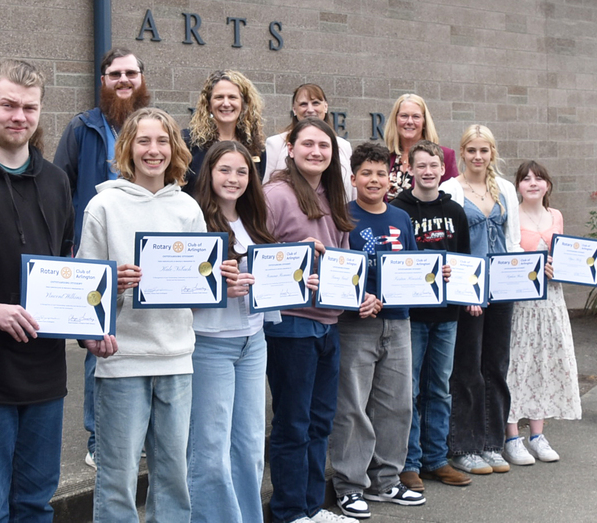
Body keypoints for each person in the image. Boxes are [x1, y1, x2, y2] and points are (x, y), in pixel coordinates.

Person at [0, 60, 75, 523]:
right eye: (8, 105)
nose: (19, 115)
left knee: (35, 504)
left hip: (45, 369)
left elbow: (63, 262)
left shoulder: (57, 180)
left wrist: (88, 321)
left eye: (30, 107)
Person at [76, 107, 207, 522]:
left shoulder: (188, 208)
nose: (154, 150)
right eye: (144, 141)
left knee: (173, 476)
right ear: (127, 148)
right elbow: (84, 294)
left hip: (176, 358)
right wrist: (111, 284)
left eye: (163, 141)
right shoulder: (104, 206)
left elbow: (198, 292)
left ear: (175, 148)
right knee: (117, 477)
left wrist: (212, 278)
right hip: (122, 361)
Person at [262, 117, 377, 523]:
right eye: (307, 144)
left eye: (324, 146)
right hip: (291, 323)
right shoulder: (274, 194)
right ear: (290, 148)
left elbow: (341, 259)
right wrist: (294, 255)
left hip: (328, 323)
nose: (316, 151)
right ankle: (289, 510)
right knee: (293, 423)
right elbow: (260, 255)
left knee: (320, 421)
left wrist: (359, 293)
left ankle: (312, 507)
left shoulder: (333, 195)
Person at [53, 47, 149, 469]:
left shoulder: (156, 127)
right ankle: (98, 438)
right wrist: (67, 250)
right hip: (95, 253)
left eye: (131, 73)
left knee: (141, 340)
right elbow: (59, 187)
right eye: (115, 74)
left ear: (142, 78)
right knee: (99, 345)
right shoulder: (83, 128)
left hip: (147, 254)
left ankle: (139, 433)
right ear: (103, 80)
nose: (123, 80)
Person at [330, 142, 428, 519]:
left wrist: (436, 276)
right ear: (353, 178)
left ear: (391, 178)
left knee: (397, 404)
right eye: (366, 173)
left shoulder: (401, 217)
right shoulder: (342, 216)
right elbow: (338, 271)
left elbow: (415, 265)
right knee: (353, 406)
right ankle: (350, 485)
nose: (374, 180)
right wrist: (359, 297)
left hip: (399, 321)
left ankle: (387, 481)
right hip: (355, 324)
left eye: (381, 173)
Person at [188, 140, 280, 522]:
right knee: (210, 448)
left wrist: (294, 278)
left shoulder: (255, 222)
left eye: (242, 171)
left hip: (253, 342)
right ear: (209, 173)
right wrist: (216, 288)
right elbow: (178, 285)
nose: (234, 178)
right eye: (225, 169)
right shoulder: (193, 220)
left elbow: (270, 280)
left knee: (249, 445)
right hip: (210, 344)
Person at [502, 161, 597, 466]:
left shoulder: (556, 216)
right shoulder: (511, 215)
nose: (532, 183)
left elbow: (567, 258)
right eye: (525, 179)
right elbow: (509, 256)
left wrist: (592, 263)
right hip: (522, 302)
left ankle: (537, 434)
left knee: (545, 363)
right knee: (516, 365)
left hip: (552, 301)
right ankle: (512, 437)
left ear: (548, 184)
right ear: (518, 185)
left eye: (538, 178)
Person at [389, 140, 472, 491]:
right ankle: (408, 462)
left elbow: (466, 259)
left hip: (447, 314)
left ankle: (436, 459)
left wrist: (464, 284)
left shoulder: (455, 212)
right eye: (420, 165)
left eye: (433, 166)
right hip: (412, 315)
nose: (427, 171)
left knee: (439, 388)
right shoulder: (398, 210)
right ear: (410, 169)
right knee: (408, 389)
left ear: (442, 170)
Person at [440, 124, 522, 476]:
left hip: (501, 290)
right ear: (462, 152)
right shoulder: (450, 190)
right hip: (467, 292)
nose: (478, 157)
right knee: (466, 368)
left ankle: (492, 442)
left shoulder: (505, 189)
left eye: (484, 150)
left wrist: (520, 282)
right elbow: (449, 247)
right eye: (471, 150)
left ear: (492, 153)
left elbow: (513, 241)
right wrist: (463, 291)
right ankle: (464, 446)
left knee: (496, 366)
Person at [263, 83, 352, 199]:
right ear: (294, 110)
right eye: (303, 104)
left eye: (316, 103)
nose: (310, 110)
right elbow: (265, 188)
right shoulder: (275, 143)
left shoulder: (344, 146)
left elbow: (351, 191)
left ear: (325, 107)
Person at [183, 70, 266, 193]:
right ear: (209, 105)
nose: (226, 103)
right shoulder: (188, 142)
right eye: (219, 97)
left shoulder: (256, 147)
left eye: (232, 97)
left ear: (243, 104)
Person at [384, 94, 458, 200]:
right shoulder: (385, 157)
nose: (409, 121)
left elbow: (452, 198)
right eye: (404, 116)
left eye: (416, 116)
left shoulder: (445, 155)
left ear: (424, 122)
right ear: (395, 120)